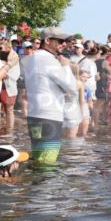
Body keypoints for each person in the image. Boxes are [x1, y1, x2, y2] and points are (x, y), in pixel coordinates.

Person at [21, 27, 77, 164]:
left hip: (34, 115)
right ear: (47, 40)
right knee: (47, 163)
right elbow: (72, 88)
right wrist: (66, 66)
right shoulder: (49, 60)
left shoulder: (30, 59)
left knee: (38, 159)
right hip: (49, 117)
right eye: (60, 41)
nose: (64, 44)